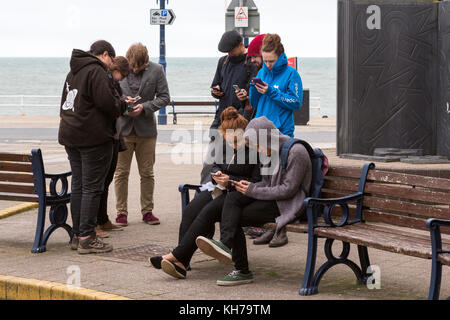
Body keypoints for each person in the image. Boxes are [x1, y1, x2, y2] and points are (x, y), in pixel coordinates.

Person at [196, 116, 312, 285]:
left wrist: (253, 189)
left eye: (258, 145)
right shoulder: (268, 151)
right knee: (233, 198)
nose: (257, 150)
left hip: (288, 205)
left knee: (232, 215)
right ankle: (226, 247)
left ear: (267, 137)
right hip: (272, 199)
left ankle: (240, 267)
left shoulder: (297, 151)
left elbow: (288, 190)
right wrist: (248, 185)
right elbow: (265, 182)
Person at [149, 107, 261, 279]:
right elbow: (215, 166)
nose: (233, 145)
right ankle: (182, 261)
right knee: (191, 211)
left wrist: (229, 179)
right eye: (229, 141)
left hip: (236, 192)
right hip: (219, 188)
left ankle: (177, 257)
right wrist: (217, 175)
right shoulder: (224, 145)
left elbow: (255, 179)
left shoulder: (254, 150)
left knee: (206, 213)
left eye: (237, 141)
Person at [59, 40, 126, 254]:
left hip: (71, 135)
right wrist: (124, 105)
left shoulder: (73, 72)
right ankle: (87, 237)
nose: (111, 64)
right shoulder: (96, 72)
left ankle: (78, 235)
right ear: (105, 54)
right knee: (92, 187)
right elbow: (109, 104)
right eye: (111, 59)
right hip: (93, 138)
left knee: (78, 186)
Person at [114, 43, 170, 227]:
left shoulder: (157, 70)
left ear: (146, 62)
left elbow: (164, 97)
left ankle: (147, 211)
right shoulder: (118, 69)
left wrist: (144, 107)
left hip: (146, 130)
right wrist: (123, 102)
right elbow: (110, 94)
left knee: (147, 173)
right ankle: (121, 213)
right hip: (123, 129)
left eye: (139, 67)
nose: (135, 69)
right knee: (121, 173)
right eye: (132, 67)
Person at [200, 30, 258, 185]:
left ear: (241, 45)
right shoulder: (223, 61)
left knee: (231, 164)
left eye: (231, 50)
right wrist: (216, 91)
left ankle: (221, 193)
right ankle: (205, 191)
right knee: (210, 162)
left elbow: (254, 94)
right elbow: (216, 84)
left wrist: (246, 96)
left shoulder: (250, 64)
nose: (229, 54)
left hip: (239, 121)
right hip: (221, 118)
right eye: (226, 51)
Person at [95, 56, 130, 238]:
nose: (122, 79)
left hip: (114, 135)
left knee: (106, 180)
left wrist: (123, 102)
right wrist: (124, 104)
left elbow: (115, 104)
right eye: (121, 75)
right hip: (106, 135)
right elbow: (109, 106)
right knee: (98, 184)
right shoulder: (104, 80)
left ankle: (103, 219)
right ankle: (95, 224)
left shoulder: (113, 83)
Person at [249, 34, 303, 138]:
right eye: (265, 61)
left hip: (281, 132)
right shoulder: (261, 72)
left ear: (280, 56)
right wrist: (253, 90)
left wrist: (271, 92)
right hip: (260, 131)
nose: (268, 65)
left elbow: (296, 102)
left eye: (272, 61)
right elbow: (255, 104)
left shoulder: (291, 74)